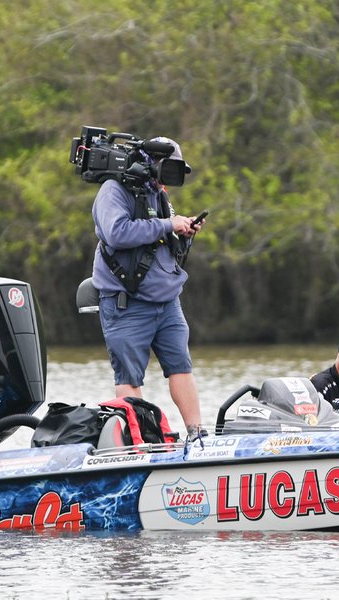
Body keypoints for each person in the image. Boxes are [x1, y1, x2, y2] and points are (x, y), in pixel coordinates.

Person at [91, 136, 209, 441]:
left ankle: (197, 434)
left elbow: (160, 236)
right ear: (150, 163)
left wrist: (184, 231)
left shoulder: (156, 193)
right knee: (129, 376)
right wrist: (170, 225)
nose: (168, 178)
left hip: (167, 300)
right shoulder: (113, 190)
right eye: (167, 169)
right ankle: (140, 441)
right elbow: (117, 233)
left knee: (181, 366)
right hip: (126, 303)